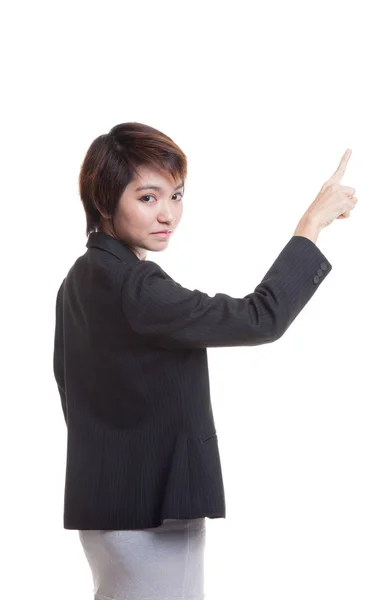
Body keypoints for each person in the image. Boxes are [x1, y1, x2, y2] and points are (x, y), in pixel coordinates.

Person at [52, 122, 358, 600]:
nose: (168, 214)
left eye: (176, 195)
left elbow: (69, 387)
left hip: (108, 517)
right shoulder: (138, 287)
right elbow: (261, 318)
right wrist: (311, 225)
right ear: (104, 199)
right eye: (148, 197)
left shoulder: (80, 278)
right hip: (153, 517)